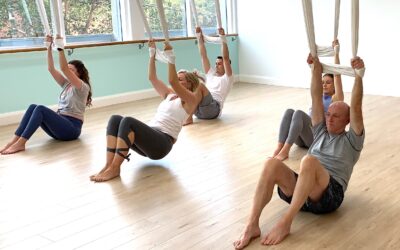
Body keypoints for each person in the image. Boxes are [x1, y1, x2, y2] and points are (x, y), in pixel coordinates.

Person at [233, 54, 365, 249]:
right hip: (303, 193)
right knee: (271, 163)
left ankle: (286, 222)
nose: (329, 119)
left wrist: (358, 76)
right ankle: (251, 225)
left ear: (347, 121)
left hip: (329, 196)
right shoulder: (320, 130)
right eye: (329, 114)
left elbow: (356, 106)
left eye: (336, 116)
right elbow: (315, 97)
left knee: (309, 160)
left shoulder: (353, 140)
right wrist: (315, 70)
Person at [90, 40, 202, 182]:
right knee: (115, 119)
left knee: (128, 121)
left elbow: (172, 81)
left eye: (181, 80)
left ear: (190, 83)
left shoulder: (190, 100)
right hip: (150, 138)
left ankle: (115, 168)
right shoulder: (169, 95)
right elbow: (152, 78)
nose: (177, 82)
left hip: (162, 143)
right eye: (178, 79)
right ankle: (108, 165)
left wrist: (171, 57)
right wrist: (151, 54)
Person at [0, 35, 92, 155]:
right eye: (68, 70)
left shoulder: (82, 87)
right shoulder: (67, 85)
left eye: (71, 70)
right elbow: (51, 69)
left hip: (71, 129)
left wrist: (60, 48)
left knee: (40, 109)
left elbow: (64, 69)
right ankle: (14, 141)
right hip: (60, 128)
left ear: (79, 74)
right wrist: (48, 47)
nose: (68, 73)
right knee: (33, 106)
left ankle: (21, 143)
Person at [272, 40, 343, 161]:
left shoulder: (336, 98)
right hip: (303, 138)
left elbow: (337, 74)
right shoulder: (318, 95)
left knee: (299, 113)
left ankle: (285, 151)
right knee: (289, 111)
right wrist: (312, 64)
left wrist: (336, 52)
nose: (324, 85)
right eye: (322, 83)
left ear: (334, 85)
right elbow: (315, 78)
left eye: (328, 83)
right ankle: (279, 147)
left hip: (317, 139)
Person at [184, 27, 234, 125]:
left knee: (200, 85)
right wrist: (199, 37)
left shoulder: (228, 78)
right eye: (216, 63)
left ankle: (188, 118)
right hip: (198, 111)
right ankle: (183, 111)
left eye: (219, 63)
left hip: (213, 110)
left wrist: (223, 38)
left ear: (225, 65)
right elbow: (203, 56)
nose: (216, 65)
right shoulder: (211, 74)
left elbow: (226, 58)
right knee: (187, 81)